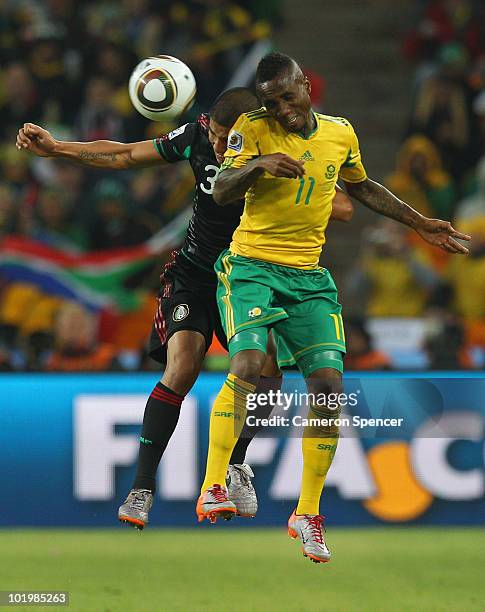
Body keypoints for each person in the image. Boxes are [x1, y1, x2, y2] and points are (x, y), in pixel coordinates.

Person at [15, 86, 354, 530]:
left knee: (269, 369)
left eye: (225, 139)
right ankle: (141, 488)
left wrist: (293, 183)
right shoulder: (196, 136)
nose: (216, 146)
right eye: (213, 135)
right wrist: (60, 149)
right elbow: (128, 155)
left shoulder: (281, 144)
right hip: (195, 274)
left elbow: (344, 204)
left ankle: (235, 463)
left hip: (254, 275)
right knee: (183, 364)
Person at [196, 53, 471, 564]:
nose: (283, 110)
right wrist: (256, 164)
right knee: (250, 364)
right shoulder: (251, 130)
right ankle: (214, 483)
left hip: (308, 276)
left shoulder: (340, 133)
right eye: (272, 103)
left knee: (327, 387)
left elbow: (361, 185)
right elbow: (219, 192)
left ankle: (306, 513)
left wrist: (419, 223)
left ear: (305, 85)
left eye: (288, 97)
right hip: (252, 267)